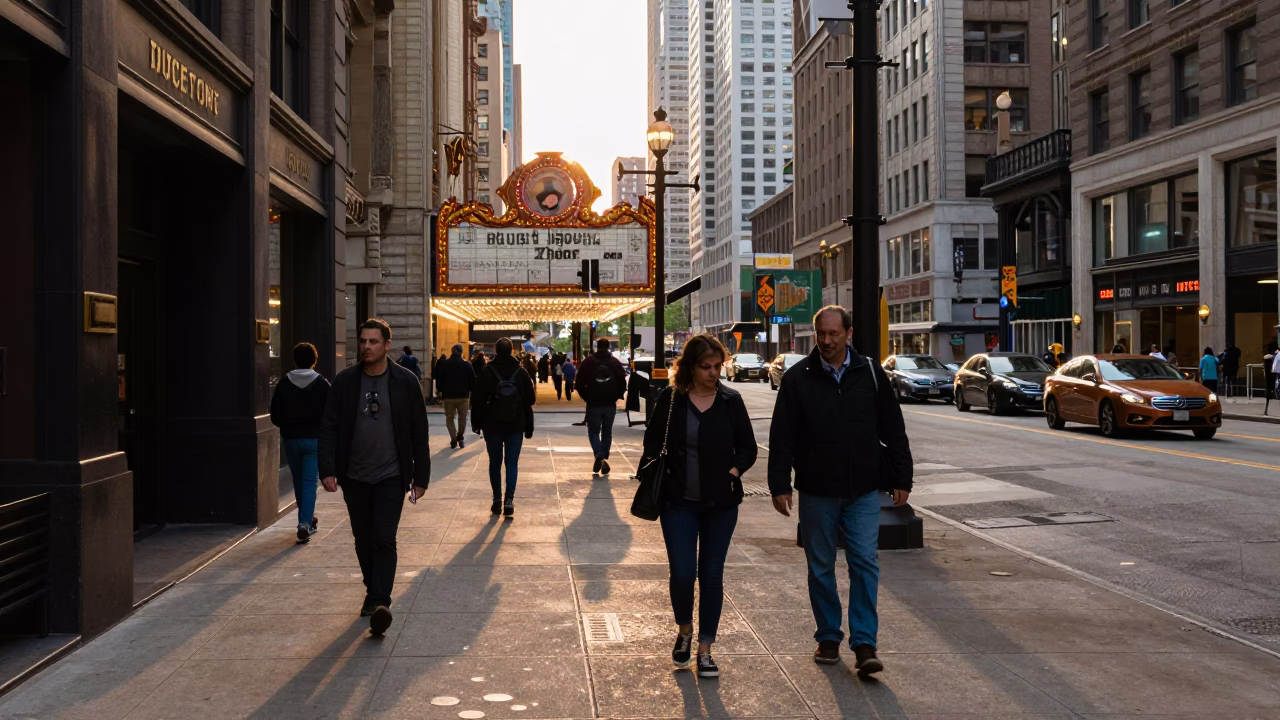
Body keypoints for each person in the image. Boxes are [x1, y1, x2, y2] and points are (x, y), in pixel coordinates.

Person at [767, 305, 913, 675]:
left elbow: (892, 427)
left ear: (848, 333)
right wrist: (780, 484)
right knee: (820, 568)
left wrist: (901, 478)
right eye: (821, 335)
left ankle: (865, 643)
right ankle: (828, 637)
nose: (827, 341)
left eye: (834, 334)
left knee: (865, 562)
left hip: (863, 490)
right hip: (817, 490)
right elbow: (782, 435)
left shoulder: (870, 373)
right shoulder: (798, 378)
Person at [644, 334, 756, 678]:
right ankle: (684, 631)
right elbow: (650, 445)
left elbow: (748, 447)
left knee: (711, 575)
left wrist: (733, 471)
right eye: (705, 367)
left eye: (717, 366)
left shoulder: (730, 401)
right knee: (681, 573)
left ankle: (705, 649)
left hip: (721, 504)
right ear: (690, 367)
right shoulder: (671, 400)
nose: (712, 373)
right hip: (678, 502)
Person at [319, 318, 430, 636]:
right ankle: (373, 590)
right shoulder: (346, 382)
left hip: (391, 476)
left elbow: (418, 432)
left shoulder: (405, 381)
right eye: (363, 341)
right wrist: (327, 469)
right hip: (354, 476)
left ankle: (381, 601)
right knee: (362, 540)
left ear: (387, 345)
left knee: (383, 538)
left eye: (373, 342)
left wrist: (420, 476)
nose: (366, 347)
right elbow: (328, 427)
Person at [270, 342, 331, 544]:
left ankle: (306, 519)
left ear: (295, 360)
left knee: (298, 481)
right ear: (314, 360)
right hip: (314, 440)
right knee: (308, 482)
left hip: (291, 439)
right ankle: (304, 524)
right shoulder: (322, 384)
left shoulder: (284, 383)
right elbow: (331, 414)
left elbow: (275, 415)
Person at [471, 337, 536, 516]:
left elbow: (477, 400)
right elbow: (531, 399)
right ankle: (509, 500)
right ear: (512, 350)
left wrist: (477, 423)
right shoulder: (521, 373)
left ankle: (496, 499)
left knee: (495, 462)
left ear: (496, 351)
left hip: (492, 425)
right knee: (512, 463)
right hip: (516, 424)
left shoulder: (486, 371)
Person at [577, 338, 629, 475]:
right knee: (607, 432)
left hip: (593, 403)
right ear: (608, 347)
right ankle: (603, 455)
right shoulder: (615, 363)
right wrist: (616, 396)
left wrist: (587, 397)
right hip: (609, 404)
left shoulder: (588, 362)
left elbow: (579, 384)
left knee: (593, 431)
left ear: (596, 346)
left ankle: (598, 453)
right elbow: (623, 383)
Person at [435, 343, 477, 449]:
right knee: (462, 417)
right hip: (463, 395)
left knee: (450, 417)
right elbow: (472, 380)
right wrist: (472, 391)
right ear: (461, 352)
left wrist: (439, 391)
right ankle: (461, 435)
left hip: (448, 396)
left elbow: (439, 378)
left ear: (452, 352)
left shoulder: (444, 364)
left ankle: (453, 438)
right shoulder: (467, 365)